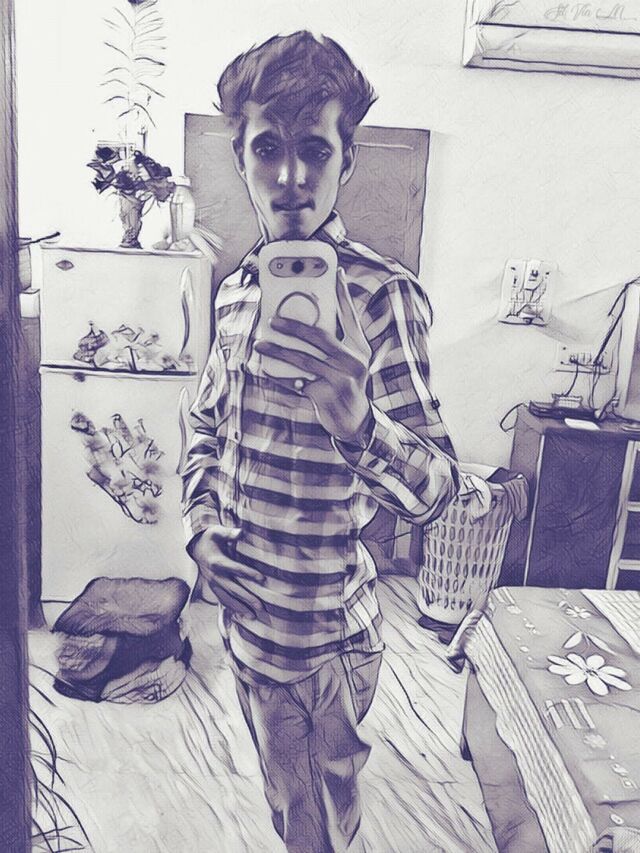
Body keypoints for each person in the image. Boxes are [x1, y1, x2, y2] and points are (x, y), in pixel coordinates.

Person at [181, 31, 459, 853]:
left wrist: (361, 425)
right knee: (288, 797)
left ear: (348, 160)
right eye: (268, 148)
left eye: (314, 149)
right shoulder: (237, 293)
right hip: (243, 626)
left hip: (320, 645)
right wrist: (199, 525)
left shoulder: (380, 296)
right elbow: (205, 425)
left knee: (318, 826)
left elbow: (437, 489)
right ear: (241, 159)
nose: (291, 178)